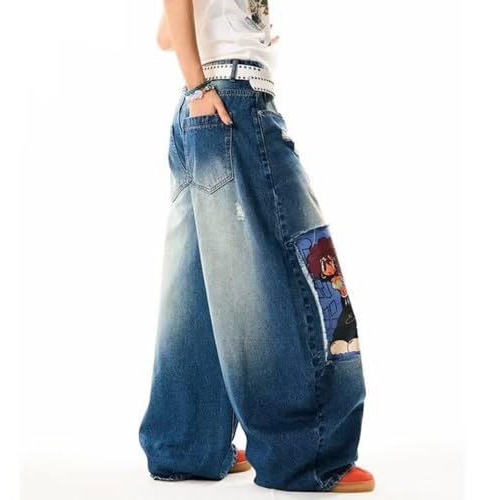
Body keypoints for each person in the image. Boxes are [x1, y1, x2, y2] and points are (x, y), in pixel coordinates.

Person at [138, 0, 375, 493]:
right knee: (305, 269)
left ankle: (187, 444)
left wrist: (235, 34)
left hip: (201, 111)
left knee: (199, 284)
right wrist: (202, 83)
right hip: (234, 105)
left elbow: (166, 34)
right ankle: (307, 454)